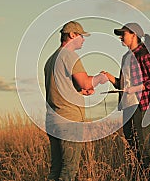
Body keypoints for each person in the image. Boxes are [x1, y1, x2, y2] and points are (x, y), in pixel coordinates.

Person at [44, 21, 107, 181]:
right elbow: (86, 82)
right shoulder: (69, 55)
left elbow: (65, 87)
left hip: (53, 120)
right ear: (72, 35)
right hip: (69, 120)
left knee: (56, 169)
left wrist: (80, 91)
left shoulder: (51, 59)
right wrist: (100, 78)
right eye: (81, 36)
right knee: (69, 170)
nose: (83, 40)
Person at [101, 22, 150, 179]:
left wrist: (135, 88)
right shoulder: (126, 57)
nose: (121, 37)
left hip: (141, 104)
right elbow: (123, 85)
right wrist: (109, 77)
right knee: (131, 141)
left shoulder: (143, 54)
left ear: (134, 35)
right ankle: (142, 175)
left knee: (143, 144)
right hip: (128, 105)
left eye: (124, 34)